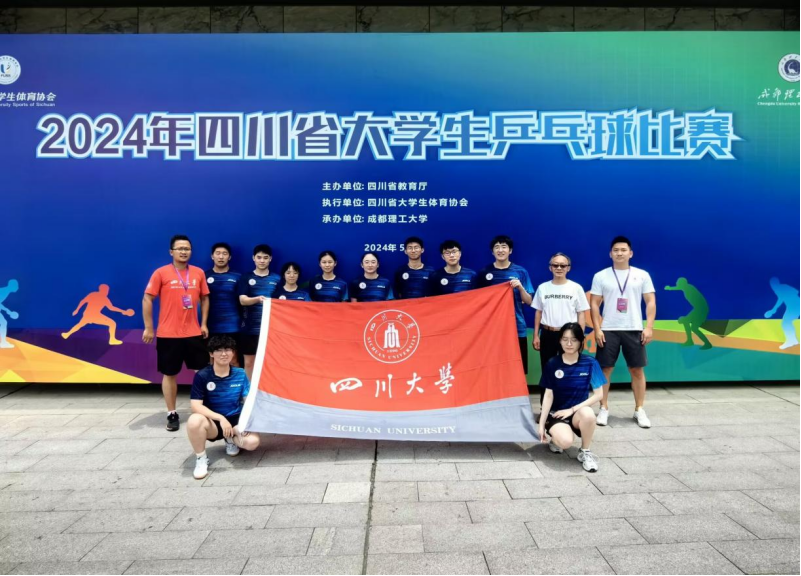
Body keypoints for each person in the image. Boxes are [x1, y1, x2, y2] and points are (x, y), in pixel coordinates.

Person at [143, 235, 210, 432]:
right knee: (170, 373)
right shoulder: (161, 273)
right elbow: (147, 299)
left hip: (193, 333)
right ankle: (171, 413)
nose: (184, 252)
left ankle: (205, 408)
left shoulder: (198, 272)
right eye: (180, 248)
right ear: (171, 252)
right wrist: (149, 327)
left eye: (187, 248)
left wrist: (203, 323)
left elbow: (205, 298)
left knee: (202, 372)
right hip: (168, 334)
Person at [590, 236, 656, 429]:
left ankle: (639, 409)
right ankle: (603, 408)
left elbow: (650, 301)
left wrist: (649, 327)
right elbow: (594, 304)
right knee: (605, 370)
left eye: (623, 250)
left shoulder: (642, 275)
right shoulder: (601, 276)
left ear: (630, 253)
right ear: (610, 254)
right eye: (616, 250)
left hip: (634, 328)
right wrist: (597, 329)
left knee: (637, 370)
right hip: (608, 330)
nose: (619, 253)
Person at [187, 335, 260, 480]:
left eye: (228, 350)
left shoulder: (240, 373)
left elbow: (247, 401)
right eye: (219, 350)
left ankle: (231, 439)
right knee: (194, 421)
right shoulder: (202, 376)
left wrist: (244, 424)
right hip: (214, 423)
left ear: (233, 353)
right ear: (211, 354)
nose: (224, 354)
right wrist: (220, 418)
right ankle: (201, 459)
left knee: (252, 443)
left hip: (235, 421)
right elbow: (195, 406)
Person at [538, 322, 605, 472]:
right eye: (565, 339)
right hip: (557, 414)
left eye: (574, 340)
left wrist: (572, 409)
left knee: (588, 414)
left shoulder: (590, 363)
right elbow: (548, 395)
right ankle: (556, 438)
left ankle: (585, 452)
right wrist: (541, 425)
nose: (569, 344)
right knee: (566, 442)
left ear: (581, 342)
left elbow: (599, 394)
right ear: (560, 341)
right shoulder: (553, 363)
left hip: (577, 413)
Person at [531, 253, 590, 403]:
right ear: (550, 267)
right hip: (548, 333)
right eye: (555, 265)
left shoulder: (575, 288)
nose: (559, 268)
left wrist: (580, 337)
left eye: (562, 265)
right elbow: (538, 312)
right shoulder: (543, 288)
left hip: (569, 336)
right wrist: (536, 335)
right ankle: (546, 407)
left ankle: (569, 405)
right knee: (548, 369)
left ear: (568, 268)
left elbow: (581, 313)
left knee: (570, 369)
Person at [478, 235, 534, 374]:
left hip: (517, 327)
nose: (500, 250)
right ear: (492, 252)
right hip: (492, 328)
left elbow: (529, 301)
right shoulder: (485, 273)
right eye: (497, 247)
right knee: (495, 367)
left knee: (518, 369)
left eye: (504, 247)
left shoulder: (520, 272)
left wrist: (520, 287)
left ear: (510, 250)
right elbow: (478, 301)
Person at [238, 244, 280, 381]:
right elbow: (243, 300)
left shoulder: (277, 279)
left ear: (270, 259)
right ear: (253, 258)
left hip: (271, 330)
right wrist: (257, 299)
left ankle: (268, 391)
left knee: (270, 363)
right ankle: (248, 392)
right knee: (249, 362)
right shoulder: (245, 277)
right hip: (249, 329)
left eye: (265, 258)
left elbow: (282, 303)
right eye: (259, 257)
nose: (262, 260)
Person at [62, 284, 134, 345]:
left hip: (89, 315)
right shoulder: (99, 296)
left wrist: (77, 310)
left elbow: (111, 308)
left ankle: (67, 334)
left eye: (108, 290)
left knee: (79, 324)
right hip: (94, 315)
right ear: (103, 290)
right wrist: (124, 311)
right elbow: (83, 301)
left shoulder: (98, 296)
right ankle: (112, 340)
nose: (107, 292)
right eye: (107, 290)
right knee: (112, 323)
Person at [205, 242, 242, 342]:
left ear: (229, 257)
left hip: (233, 326)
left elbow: (242, 302)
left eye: (224, 254)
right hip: (210, 326)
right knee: (212, 351)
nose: (221, 257)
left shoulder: (238, 276)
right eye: (218, 253)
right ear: (212, 256)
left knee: (233, 352)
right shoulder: (204, 276)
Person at [664, 277, 712, 350]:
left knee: (689, 324)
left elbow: (680, 287)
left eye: (678, 283)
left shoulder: (689, 288)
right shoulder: (686, 288)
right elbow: (679, 288)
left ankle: (696, 342)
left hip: (701, 310)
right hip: (699, 309)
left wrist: (670, 288)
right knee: (692, 327)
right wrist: (670, 288)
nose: (676, 284)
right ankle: (692, 341)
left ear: (682, 284)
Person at [765, 277, 800, 350]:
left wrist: (774, 309)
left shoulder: (782, 287)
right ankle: (793, 340)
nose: (772, 286)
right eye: (771, 284)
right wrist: (774, 309)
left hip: (795, 306)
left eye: (773, 284)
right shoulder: (779, 289)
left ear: (777, 283)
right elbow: (781, 298)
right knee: (786, 323)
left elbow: (796, 292)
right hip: (792, 306)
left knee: (786, 323)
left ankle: (791, 341)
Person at [0, 279, 19, 349]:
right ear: (12, 286)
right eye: (17, 285)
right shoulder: (4, 292)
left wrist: (7, 311)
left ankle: (3, 342)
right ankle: (3, 342)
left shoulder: (5, 291)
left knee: (3, 322)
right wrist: (8, 311)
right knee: (3, 323)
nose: (18, 287)